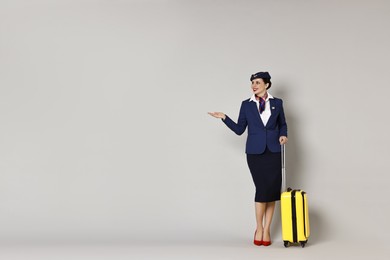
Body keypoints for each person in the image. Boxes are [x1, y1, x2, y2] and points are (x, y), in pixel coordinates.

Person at [208, 71, 288, 246]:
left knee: (272, 192)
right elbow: (239, 129)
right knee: (262, 190)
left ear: (267, 84)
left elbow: (282, 124)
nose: (254, 85)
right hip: (255, 153)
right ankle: (259, 227)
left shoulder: (277, 103)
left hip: (274, 151)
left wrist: (283, 135)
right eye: (252, 83)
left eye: (258, 82)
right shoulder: (246, 105)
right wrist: (224, 118)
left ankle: (267, 230)